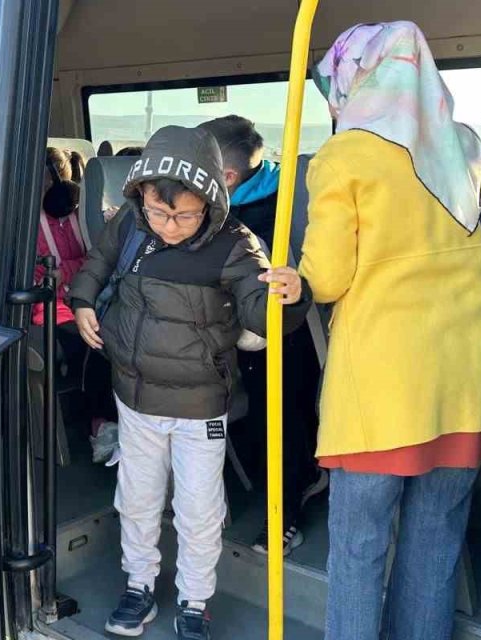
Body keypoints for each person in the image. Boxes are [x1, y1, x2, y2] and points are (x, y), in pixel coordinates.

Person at [301, 23, 481, 640]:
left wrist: (293, 278)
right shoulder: (472, 148)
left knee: (359, 550)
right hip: (471, 384)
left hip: (385, 388)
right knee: (436, 541)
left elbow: (326, 276)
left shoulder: (347, 154)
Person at [69, 125, 311, 639]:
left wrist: (289, 297)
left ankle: (195, 600)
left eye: (184, 214)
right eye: (159, 211)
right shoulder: (132, 225)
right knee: (136, 498)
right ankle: (138, 586)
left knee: (199, 509)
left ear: (212, 201)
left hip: (202, 405)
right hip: (133, 396)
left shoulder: (237, 245)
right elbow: (97, 265)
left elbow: (260, 314)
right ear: (141, 197)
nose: (170, 225)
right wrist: (83, 301)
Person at [197, 114, 326, 556]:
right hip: (304, 337)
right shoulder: (296, 190)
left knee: (274, 420)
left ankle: (287, 506)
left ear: (227, 177)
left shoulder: (247, 221)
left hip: (270, 338)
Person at [35, 146, 117, 462]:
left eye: (49, 186)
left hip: (91, 298)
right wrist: (64, 272)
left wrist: (65, 270)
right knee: (92, 342)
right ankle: (102, 426)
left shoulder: (87, 215)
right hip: (48, 308)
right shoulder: (24, 223)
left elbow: (101, 258)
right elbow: (33, 274)